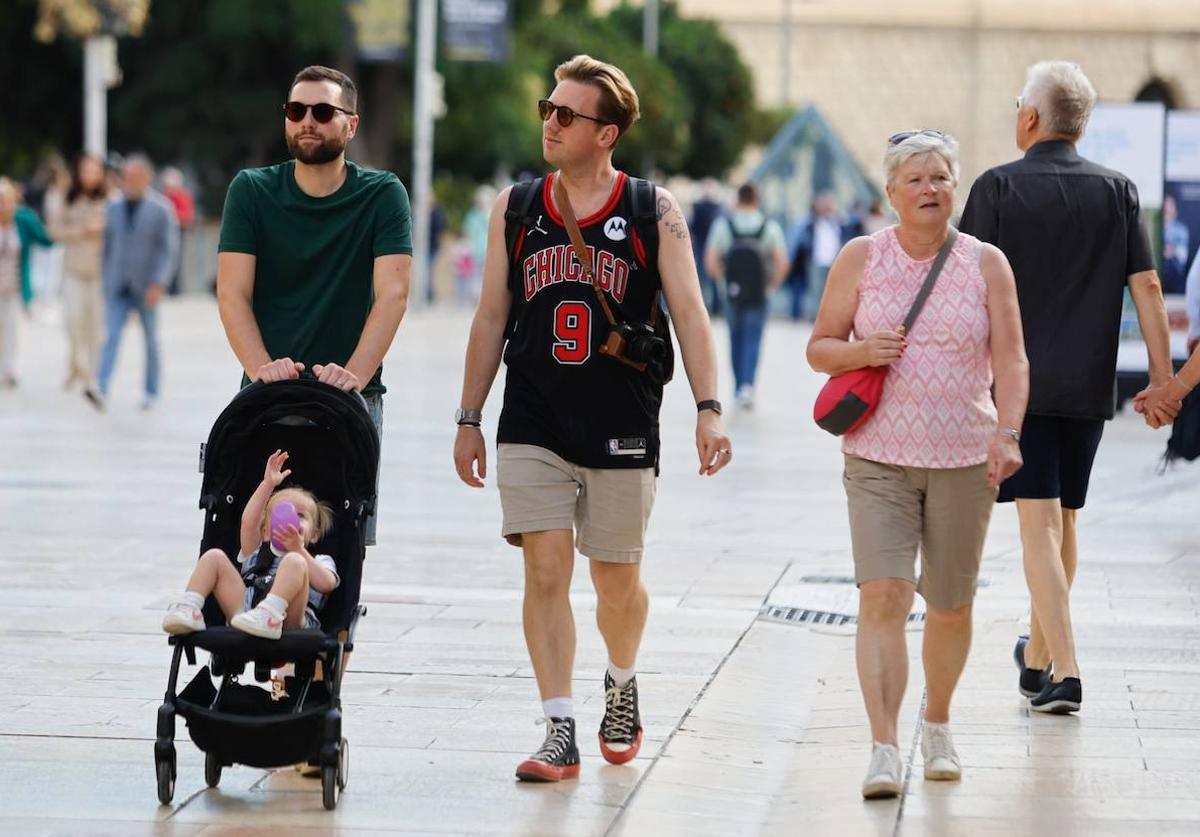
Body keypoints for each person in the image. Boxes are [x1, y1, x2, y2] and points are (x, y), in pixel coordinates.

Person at [452, 54, 733, 783]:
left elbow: (693, 314)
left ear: (606, 133)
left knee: (616, 580)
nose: (550, 121)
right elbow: (490, 316)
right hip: (534, 418)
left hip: (621, 420)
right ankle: (557, 726)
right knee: (544, 567)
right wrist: (468, 415)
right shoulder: (515, 207)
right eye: (548, 108)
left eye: (566, 114)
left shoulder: (651, 209)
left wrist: (708, 408)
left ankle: (621, 678)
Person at [807, 130, 1028, 799]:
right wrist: (861, 351)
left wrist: (1009, 433)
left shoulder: (987, 263)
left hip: (965, 456)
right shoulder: (860, 257)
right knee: (883, 593)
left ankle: (937, 723)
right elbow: (820, 347)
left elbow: (1013, 358)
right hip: (878, 455)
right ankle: (882, 744)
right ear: (891, 193)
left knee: (951, 605)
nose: (931, 189)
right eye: (917, 179)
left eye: (941, 177)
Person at [959, 61, 1175, 715]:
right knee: (1062, 520)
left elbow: (960, 286)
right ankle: (1038, 657)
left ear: (1030, 117)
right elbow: (1148, 287)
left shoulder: (996, 187)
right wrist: (1164, 380)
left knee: (1037, 527)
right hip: (1088, 386)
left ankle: (1068, 668)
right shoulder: (1118, 191)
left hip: (1018, 386)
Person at [215, 65, 412, 547]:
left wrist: (355, 375)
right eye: (296, 110)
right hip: (265, 397)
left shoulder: (382, 195)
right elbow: (232, 292)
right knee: (255, 535)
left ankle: (335, 623)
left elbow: (393, 293)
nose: (307, 120)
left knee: (338, 544)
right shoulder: (252, 191)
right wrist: (260, 368)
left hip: (350, 400)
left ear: (351, 124)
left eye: (323, 112)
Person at [162, 450, 339, 640]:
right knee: (214, 557)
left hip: (291, 622)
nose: (290, 520)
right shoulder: (256, 549)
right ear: (264, 531)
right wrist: (268, 484)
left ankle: (270, 615)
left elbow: (327, 584)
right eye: (281, 514)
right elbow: (248, 523)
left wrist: (299, 550)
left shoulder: (317, 560)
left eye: (301, 516)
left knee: (294, 562)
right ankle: (190, 606)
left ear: (314, 534)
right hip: (246, 614)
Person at [96, 153, 179, 411]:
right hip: (117, 283)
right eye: (127, 176)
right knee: (110, 335)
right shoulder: (113, 207)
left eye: (135, 176)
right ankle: (101, 386)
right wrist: (105, 278)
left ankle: (151, 391)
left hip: (147, 286)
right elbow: (107, 246)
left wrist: (159, 283)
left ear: (147, 178)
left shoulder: (162, 209)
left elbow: (169, 250)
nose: (129, 181)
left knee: (151, 340)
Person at [703, 182, 788, 409]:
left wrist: (724, 281)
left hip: (732, 293)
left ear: (737, 199)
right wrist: (770, 286)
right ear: (757, 199)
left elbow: (710, 262)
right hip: (760, 294)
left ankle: (738, 384)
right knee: (753, 339)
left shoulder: (724, 225)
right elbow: (782, 263)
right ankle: (747, 387)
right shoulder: (769, 227)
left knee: (735, 339)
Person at [49, 152, 109, 396]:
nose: (89, 175)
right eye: (85, 170)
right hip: (73, 269)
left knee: (95, 326)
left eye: (94, 170)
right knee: (73, 320)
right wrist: (81, 230)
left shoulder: (110, 199)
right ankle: (75, 364)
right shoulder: (66, 198)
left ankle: (92, 373)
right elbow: (54, 230)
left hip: (100, 272)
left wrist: (102, 229)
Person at [0, 178, 54, 388]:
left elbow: (46, 240)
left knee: (14, 328)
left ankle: (11, 369)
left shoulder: (23, 220)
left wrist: (46, 222)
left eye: (5, 200)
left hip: (15, 285)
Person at [689, 178, 725, 316]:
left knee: (701, 278)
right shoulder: (718, 208)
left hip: (701, 245)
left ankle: (703, 306)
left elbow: (693, 227)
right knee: (715, 277)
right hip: (714, 246)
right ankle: (716, 306)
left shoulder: (698, 207)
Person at [160, 167, 195, 296]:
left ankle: (175, 289)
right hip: (165, 231)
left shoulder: (182, 196)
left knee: (176, 259)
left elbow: (187, 216)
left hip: (178, 230)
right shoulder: (163, 197)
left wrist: (172, 215)